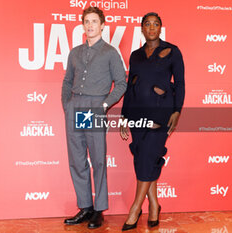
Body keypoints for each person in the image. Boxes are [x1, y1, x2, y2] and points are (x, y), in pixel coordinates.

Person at [61, 6, 127, 229]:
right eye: (86, 22)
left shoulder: (110, 52)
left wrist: (105, 104)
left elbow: (121, 83)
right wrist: (67, 105)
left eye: (94, 22)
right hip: (75, 106)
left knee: (98, 159)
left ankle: (99, 209)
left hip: (95, 106)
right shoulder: (75, 52)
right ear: (83, 25)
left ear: (102, 25)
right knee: (77, 159)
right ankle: (85, 207)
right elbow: (67, 81)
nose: (90, 25)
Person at [120, 12, 185, 231]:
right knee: (143, 158)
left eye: (155, 24)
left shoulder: (173, 51)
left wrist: (177, 110)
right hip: (136, 114)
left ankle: (135, 209)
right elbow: (130, 86)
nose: (151, 27)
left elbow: (181, 84)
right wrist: (123, 116)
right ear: (142, 29)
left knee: (148, 156)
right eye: (147, 24)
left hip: (160, 113)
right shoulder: (136, 55)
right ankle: (155, 205)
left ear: (160, 28)